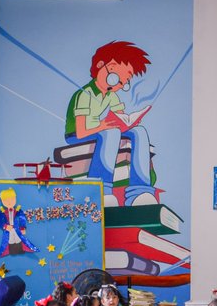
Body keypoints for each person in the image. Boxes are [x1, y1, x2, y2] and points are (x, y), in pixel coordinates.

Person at [64, 41, 156, 204]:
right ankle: (102, 189)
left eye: (124, 83)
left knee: (139, 131)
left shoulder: (111, 95)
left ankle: (139, 192)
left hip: (100, 130)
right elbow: (80, 131)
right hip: (77, 134)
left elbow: (121, 119)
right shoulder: (85, 94)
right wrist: (103, 126)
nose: (119, 85)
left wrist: (131, 123)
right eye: (117, 78)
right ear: (101, 65)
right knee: (111, 132)